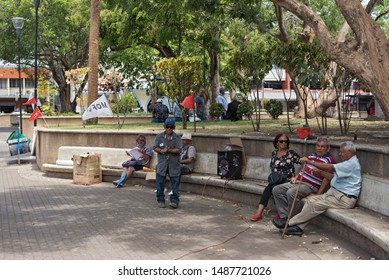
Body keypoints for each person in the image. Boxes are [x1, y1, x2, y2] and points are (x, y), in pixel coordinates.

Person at [279, 141, 362, 236]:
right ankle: (298, 228)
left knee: (315, 204)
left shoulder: (352, 164)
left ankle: (289, 222)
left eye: (342, 152)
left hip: (344, 199)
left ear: (350, 152)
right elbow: (332, 177)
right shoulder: (347, 163)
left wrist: (310, 162)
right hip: (335, 194)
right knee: (310, 200)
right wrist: (320, 172)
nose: (340, 154)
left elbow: (330, 167)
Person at [271, 136, 335, 229]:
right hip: (299, 182)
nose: (319, 148)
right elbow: (303, 167)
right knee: (277, 190)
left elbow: (327, 179)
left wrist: (318, 194)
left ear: (328, 148)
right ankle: (285, 217)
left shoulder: (329, 160)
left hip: (311, 186)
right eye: (318, 145)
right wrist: (296, 177)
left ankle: (292, 221)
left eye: (322, 146)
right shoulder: (312, 156)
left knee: (291, 193)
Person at [250, 134, 300, 221]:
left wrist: (298, 176)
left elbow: (302, 162)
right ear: (277, 142)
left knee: (273, 188)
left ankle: (281, 214)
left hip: (287, 180)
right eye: (281, 141)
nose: (284, 143)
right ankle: (259, 214)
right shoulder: (274, 153)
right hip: (275, 179)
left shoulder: (291, 153)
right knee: (268, 189)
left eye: (286, 142)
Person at [153, 118, 182, 209]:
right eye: (167, 127)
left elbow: (179, 150)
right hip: (162, 164)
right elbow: (155, 147)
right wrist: (162, 151)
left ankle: (174, 201)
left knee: (175, 183)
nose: (169, 129)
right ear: (164, 127)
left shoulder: (177, 138)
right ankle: (160, 200)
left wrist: (169, 150)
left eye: (171, 127)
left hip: (173, 165)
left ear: (174, 128)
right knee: (160, 183)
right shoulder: (159, 137)